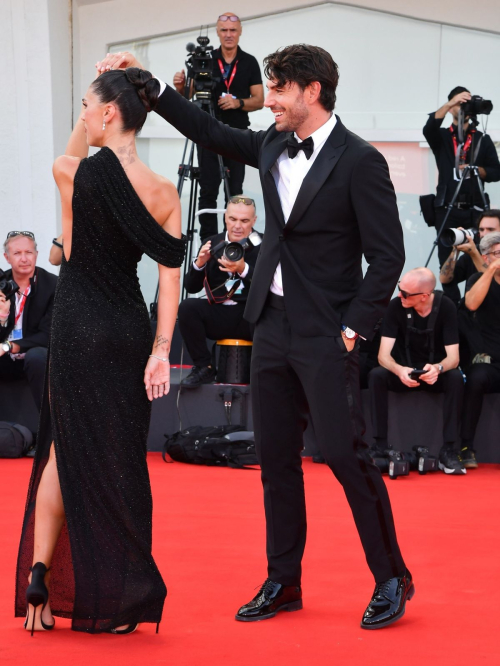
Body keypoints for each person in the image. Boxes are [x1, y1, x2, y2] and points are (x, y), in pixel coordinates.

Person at [97, 43, 413, 630]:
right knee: (275, 461)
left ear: (311, 92)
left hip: (327, 334)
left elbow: (388, 258)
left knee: (346, 457)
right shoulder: (269, 142)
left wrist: (350, 332)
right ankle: (283, 580)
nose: (267, 99)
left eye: (278, 89)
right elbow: (211, 130)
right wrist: (149, 87)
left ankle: (391, 576)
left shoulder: (360, 161)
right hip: (270, 325)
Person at [15, 67, 186, 635]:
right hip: (129, 329)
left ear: (109, 112)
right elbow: (168, 281)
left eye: (88, 105)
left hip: (75, 325)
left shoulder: (74, 172)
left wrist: (99, 92)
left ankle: (40, 574)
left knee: (63, 451)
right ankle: (120, 597)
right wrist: (161, 349)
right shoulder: (165, 191)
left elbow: (69, 160)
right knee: (121, 459)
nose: (84, 115)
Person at [173, 12, 263, 241]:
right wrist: (181, 86)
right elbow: (187, 96)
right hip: (208, 133)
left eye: (233, 30)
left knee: (234, 191)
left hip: (238, 135)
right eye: (224, 30)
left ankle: (233, 240)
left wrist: (238, 102)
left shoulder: (249, 61)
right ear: (217, 32)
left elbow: (260, 99)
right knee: (208, 189)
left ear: (240, 31)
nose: (229, 35)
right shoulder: (205, 60)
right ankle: (209, 242)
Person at [369, 268, 465, 475]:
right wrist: (399, 370)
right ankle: (380, 446)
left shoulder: (446, 307)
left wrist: (438, 368)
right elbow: (383, 356)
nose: (399, 295)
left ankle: (449, 450)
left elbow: (453, 358)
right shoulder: (396, 306)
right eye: (399, 289)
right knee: (376, 375)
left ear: (424, 296)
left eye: (405, 293)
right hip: (403, 373)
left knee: (455, 378)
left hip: (433, 374)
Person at [423, 86, 500, 299]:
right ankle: (453, 308)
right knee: (447, 261)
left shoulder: (482, 139)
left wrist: (479, 171)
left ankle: (474, 303)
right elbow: (428, 127)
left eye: (465, 104)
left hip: (475, 210)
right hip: (448, 208)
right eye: (458, 104)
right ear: (450, 108)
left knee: (481, 256)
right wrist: (451, 102)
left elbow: (496, 171)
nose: (462, 108)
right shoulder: (441, 137)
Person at [179, 195, 261, 388]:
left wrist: (243, 270)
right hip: (219, 314)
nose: (237, 226)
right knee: (188, 307)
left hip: (250, 316)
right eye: (233, 219)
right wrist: (199, 264)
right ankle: (203, 367)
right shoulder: (211, 243)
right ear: (225, 217)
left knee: (273, 311)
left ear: (254, 221)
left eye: (244, 220)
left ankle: (267, 371)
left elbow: (272, 288)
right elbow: (191, 288)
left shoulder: (264, 244)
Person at [0, 231, 57, 412]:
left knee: (37, 356)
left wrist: (9, 346)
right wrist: (2, 318)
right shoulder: (2, 284)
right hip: (5, 360)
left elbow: (48, 335)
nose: (24, 259)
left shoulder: (53, 285)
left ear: (36, 255)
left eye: (28, 252)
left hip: (35, 357)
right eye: (17, 253)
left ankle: (50, 429)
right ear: (7, 257)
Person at [459, 231, 500, 468]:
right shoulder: (478, 280)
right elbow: (471, 303)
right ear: (485, 258)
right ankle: (466, 446)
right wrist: (491, 270)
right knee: (475, 378)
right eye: (497, 253)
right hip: (489, 362)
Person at [439, 210, 500, 303]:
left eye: (490, 229)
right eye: (481, 229)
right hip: (471, 314)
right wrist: (456, 249)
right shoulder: (472, 254)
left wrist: (474, 253)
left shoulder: (473, 252)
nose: (484, 234)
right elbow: (445, 279)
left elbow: (494, 284)